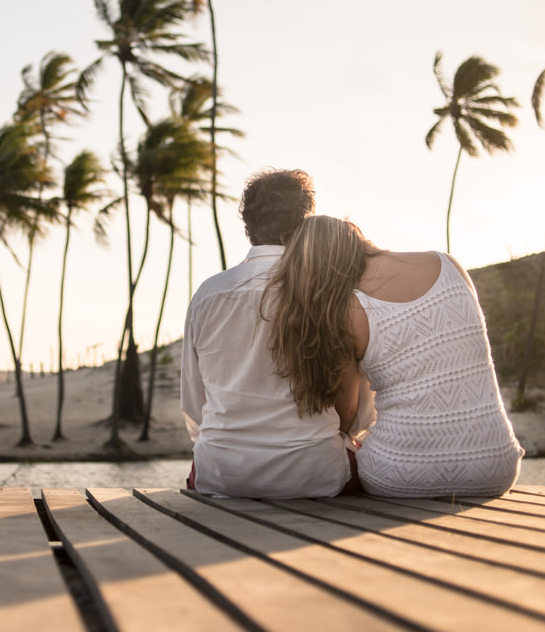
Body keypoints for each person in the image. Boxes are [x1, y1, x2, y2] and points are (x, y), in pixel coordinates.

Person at [269, 215, 523, 497]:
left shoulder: (347, 309)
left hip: (401, 473)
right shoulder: (449, 264)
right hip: (497, 466)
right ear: (357, 237)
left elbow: (347, 415)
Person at [181, 169, 368, 498]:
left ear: (247, 226)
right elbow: (355, 414)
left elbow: (195, 405)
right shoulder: (328, 291)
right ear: (305, 222)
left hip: (222, 475)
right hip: (316, 474)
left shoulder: (208, 294)